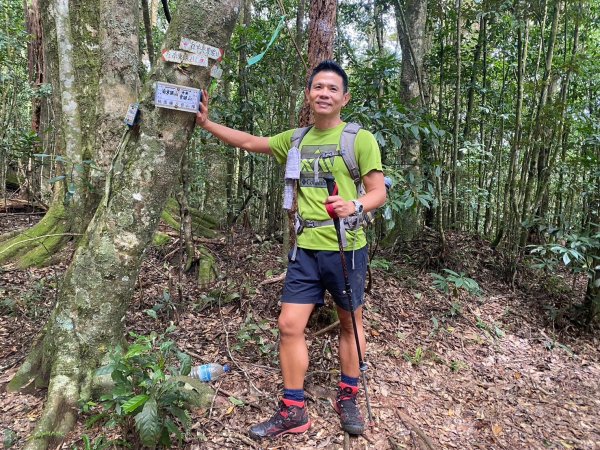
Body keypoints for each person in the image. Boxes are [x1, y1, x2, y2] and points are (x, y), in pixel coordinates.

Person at [195, 60, 386, 439]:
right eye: (318, 87)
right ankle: (293, 409)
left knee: (349, 323)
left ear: (344, 98)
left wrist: (357, 205)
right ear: (308, 94)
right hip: (306, 250)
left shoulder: (357, 139)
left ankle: (348, 395)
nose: (324, 93)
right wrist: (206, 124)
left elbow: (378, 190)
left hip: (346, 249)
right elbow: (250, 142)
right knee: (288, 325)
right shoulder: (296, 140)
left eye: (333, 88)